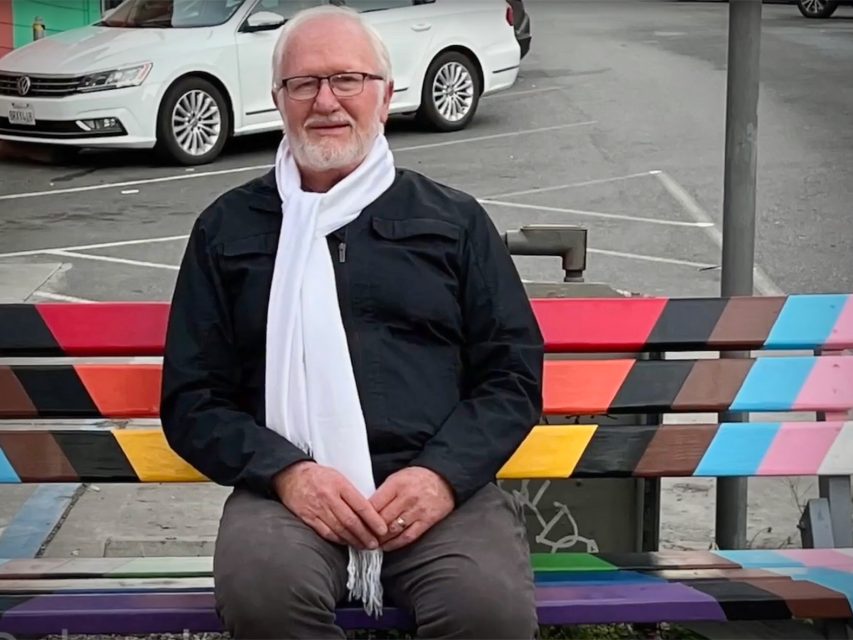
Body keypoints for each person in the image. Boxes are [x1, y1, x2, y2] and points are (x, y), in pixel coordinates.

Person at [160, 5, 544, 639]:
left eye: (348, 79)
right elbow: (192, 399)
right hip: (287, 492)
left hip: (435, 488)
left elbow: (511, 376)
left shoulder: (454, 221)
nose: (326, 101)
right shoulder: (227, 230)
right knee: (264, 594)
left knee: (487, 611)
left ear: (386, 95)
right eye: (304, 83)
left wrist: (441, 476)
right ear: (278, 98)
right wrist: (287, 473)